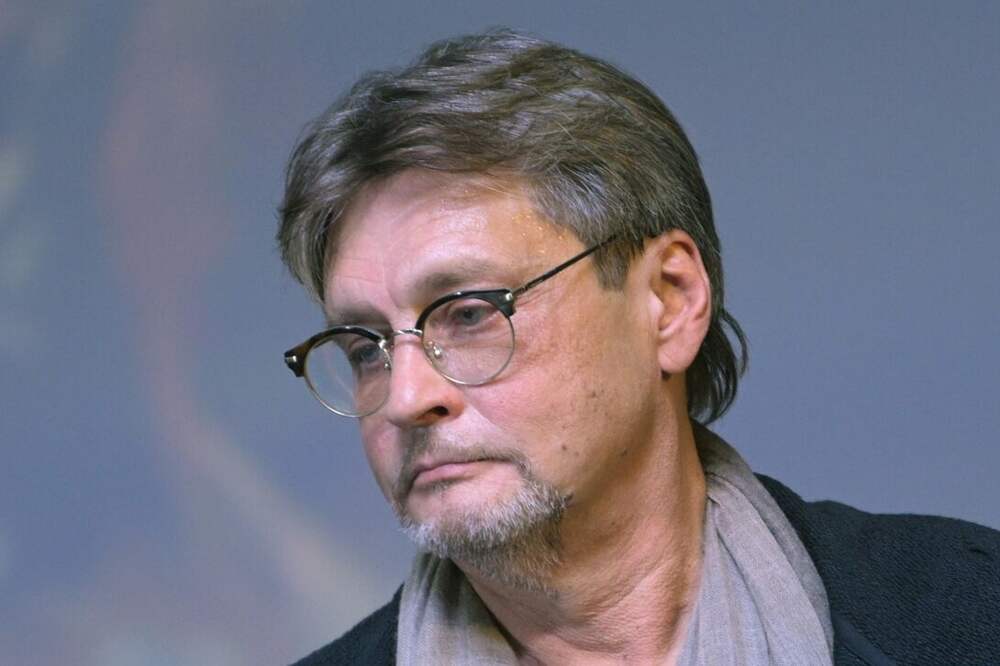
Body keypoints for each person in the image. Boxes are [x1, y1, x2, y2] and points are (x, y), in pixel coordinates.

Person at [277, 30, 999, 665]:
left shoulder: (970, 613)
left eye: (468, 314)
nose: (406, 397)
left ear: (669, 301)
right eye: (366, 348)